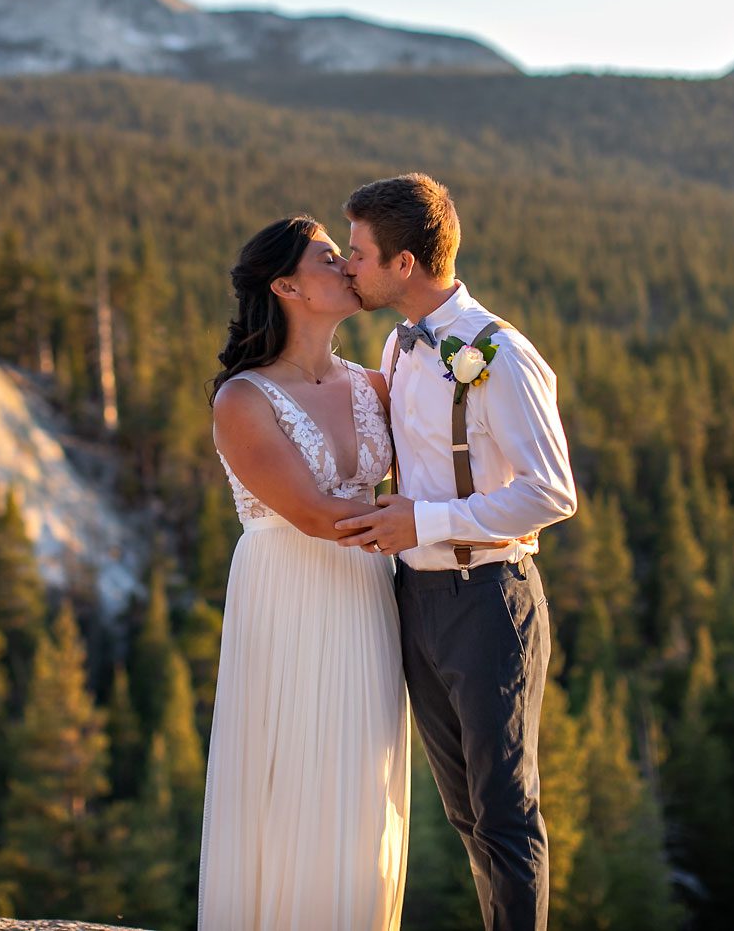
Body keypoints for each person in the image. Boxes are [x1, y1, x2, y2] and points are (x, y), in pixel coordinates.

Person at [334, 173, 577, 931]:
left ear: (404, 264)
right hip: (416, 601)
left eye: (359, 253)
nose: (348, 266)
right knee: (466, 814)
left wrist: (427, 521)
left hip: (489, 599)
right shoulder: (397, 344)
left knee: (505, 814)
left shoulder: (499, 353)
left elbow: (552, 492)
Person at [197, 215, 409, 931]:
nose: (348, 266)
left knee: (361, 786)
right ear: (288, 285)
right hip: (289, 592)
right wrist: (423, 521)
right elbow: (319, 515)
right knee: (296, 779)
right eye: (329, 257)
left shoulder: (372, 384)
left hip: (368, 595)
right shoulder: (244, 398)